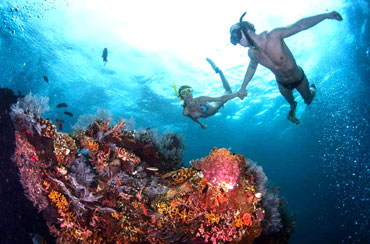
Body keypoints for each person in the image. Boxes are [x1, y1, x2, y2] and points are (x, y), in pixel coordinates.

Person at [230, 11, 343, 124]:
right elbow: (251, 68)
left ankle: (312, 90)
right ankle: (293, 106)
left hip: (299, 79)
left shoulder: (273, 36)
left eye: (236, 34)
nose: (237, 40)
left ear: (245, 28)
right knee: (291, 103)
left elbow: (300, 25)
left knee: (308, 100)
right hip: (282, 85)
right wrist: (243, 87)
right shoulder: (252, 54)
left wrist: (326, 16)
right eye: (233, 39)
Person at [174, 58, 239, 129]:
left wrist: (238, 94)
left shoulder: (201, 99)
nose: (187, 94)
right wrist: (201, 124)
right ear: (181, 97)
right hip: (210, 113)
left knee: (228, 91)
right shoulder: (185, 111)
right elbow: (193, 118)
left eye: (188, 91)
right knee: (227, 92)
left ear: (192, 93)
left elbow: (221, 98)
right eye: (183, 93)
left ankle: (219, 71)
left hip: (215, 106)